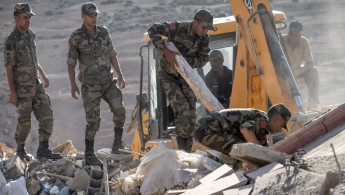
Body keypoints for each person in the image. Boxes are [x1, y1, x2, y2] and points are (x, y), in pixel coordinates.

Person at [147, 9, 217, 152]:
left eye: (208, 29)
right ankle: (181, 147)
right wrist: (168, 53)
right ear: (195, 22)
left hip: (186, 76)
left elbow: (203, 60)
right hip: (169, 76)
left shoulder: (204, 38)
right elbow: (153, 30)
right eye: (204, 27)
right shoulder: (178, 28)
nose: (205, 32)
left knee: (192, 111)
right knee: (182, 108)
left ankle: (187, 148)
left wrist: (182, 60)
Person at [67, 2, 126, 167]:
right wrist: (73, 85)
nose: (94, 18)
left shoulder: (104, 32)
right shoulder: (76, 37)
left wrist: (120, 74)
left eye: (95, 15)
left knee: (120, 110)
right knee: (93, 121)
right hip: (90, 86)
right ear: (83, 16)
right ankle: (89, 154)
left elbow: (112, 54)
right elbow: (71, 63)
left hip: (108, 81)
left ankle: (117, 144)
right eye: (91, 15)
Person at [4, 3, 62, 161]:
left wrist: (43, 76)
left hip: (36, 84)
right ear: (16, 18)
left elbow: (33, 59)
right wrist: (12, 91)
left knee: (47, 114)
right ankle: (20, 150)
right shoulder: (11, 41)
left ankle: (43, 149)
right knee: (25, 121)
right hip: (22, 88)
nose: (28, 20)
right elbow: (9, 67)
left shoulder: (31, 35)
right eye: (25, 17)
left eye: (30, 17)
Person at [194, 104, 291, 154]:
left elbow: (265, 148)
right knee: (244, 150)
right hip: (208, 129)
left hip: (206, 128)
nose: (280, 129)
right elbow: (245, 129)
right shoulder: (263, 119)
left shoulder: (261, 128)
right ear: (276, 120)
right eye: (281, 125)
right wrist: (260, 152)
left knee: (246, 149)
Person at [282, 20, 320, 110]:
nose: (292, 37)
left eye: (295, 34)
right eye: (291, 34)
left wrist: (298, 72)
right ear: (288, 33)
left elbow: (310, 63)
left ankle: (313, 104)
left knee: (313, 72)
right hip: (282, 72)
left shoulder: (304, 42)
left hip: (297, 71)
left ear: (299, 35)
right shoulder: (281, 40)